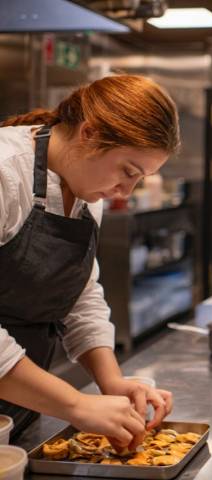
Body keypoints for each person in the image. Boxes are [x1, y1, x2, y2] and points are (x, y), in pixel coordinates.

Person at [0, 74, 180, 451]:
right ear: (90, 133)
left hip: (19, 406)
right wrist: (75, 404)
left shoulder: (85, 190)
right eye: (128, 172)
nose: (127, 192)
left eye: (140, 179)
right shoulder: (5, 172)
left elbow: (78, 293)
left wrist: (111, 380)